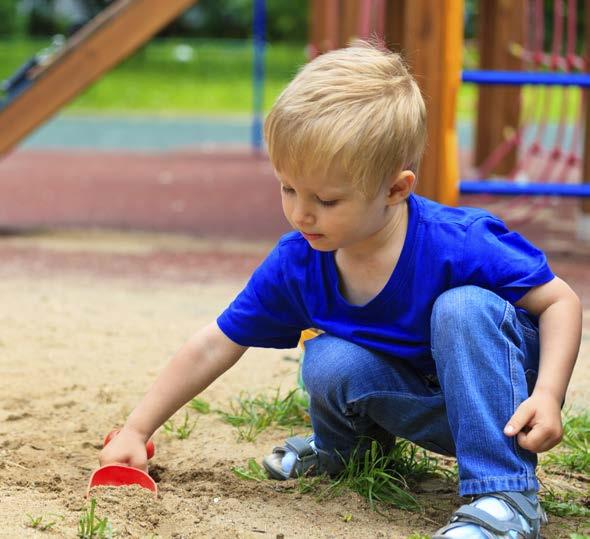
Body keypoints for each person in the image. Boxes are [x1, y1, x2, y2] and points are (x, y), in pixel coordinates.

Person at [99, 41, 582, 538]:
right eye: (288, 188)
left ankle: (505, 495)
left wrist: (547, 394)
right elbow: (216, 342)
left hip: (503, 407)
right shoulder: (300, 260)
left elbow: (560, 301)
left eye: (327, 200)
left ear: (396, 189)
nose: (301, 213)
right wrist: (137, 429)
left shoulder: (459, 242)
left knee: (462, 307)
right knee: (328, 358)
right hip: (423, 408)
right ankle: (347, 455)